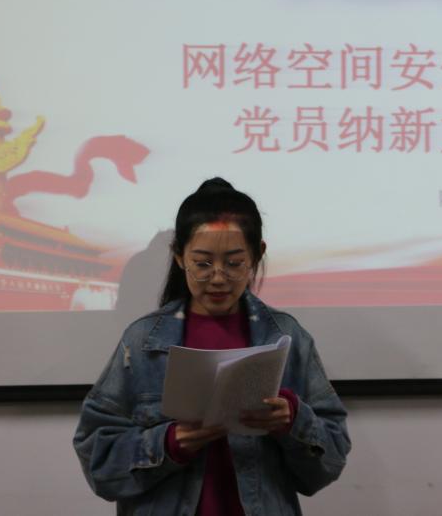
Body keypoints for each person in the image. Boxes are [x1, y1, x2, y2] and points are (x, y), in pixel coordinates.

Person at [74, 177, 351, 515]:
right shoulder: (143, 342)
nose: (218, 278)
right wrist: (169, 443)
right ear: (179, 256)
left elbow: (330, 460)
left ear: (257, 254)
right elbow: (97, 458)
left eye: (234, 263)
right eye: (203, 263)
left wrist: (292, 420)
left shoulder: (285, 336)